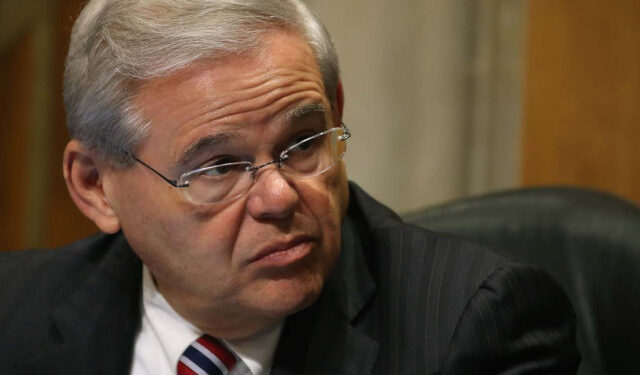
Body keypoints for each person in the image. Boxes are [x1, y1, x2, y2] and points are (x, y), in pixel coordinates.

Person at [0, 0, 580, 374]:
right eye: (218, 168)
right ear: (96, 186)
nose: (279, 197)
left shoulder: (475, 330)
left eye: (303, 144)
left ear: (336, 108)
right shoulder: (12, 313)